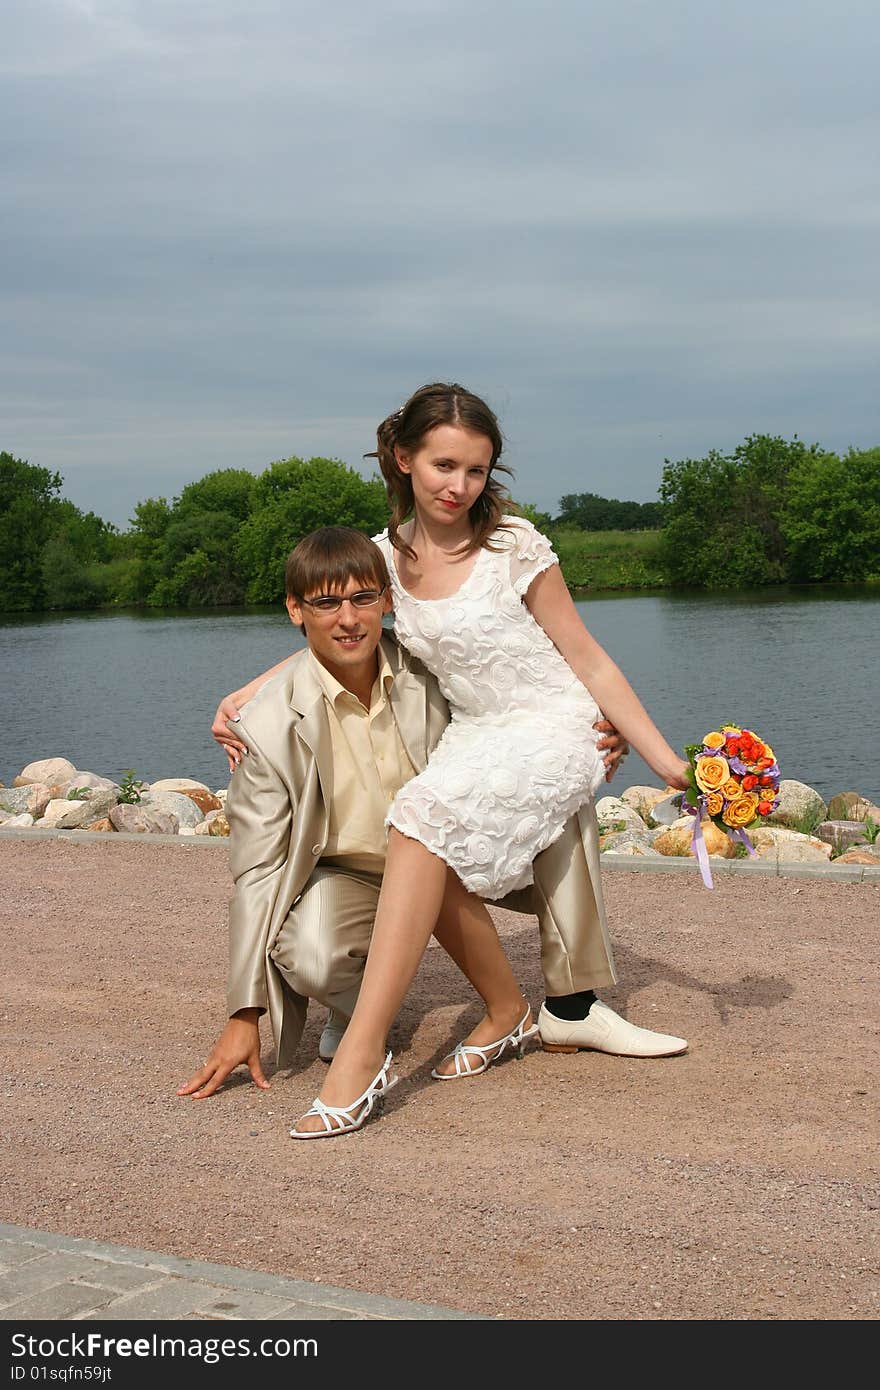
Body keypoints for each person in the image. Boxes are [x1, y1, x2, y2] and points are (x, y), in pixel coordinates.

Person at [287, 383, 691, 1138]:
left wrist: (665, 760)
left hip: (555, 722)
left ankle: (364, 1057)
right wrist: (243, 695)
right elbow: (328, 635)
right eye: (444, 466)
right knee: (422, 836)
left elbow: (589, 659)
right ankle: (509, 1012)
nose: (458, 486)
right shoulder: (378, 559)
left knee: (417, 821)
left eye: (476, 471)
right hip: (477, 731)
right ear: (403, 459)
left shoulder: (514, 546)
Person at [180, 527, 682, 1104]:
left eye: (364, 600)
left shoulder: (429, 671)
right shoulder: (262, 729)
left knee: (556, 777)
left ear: (388, 601)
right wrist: (244, 1014)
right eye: (325, 603)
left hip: (446, 863)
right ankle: (362, 1007)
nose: (348, 618)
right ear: (295, 609)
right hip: (348, 874)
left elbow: (527, 688)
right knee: (311, 957)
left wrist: (598, 727)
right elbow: (256, 873)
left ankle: (573, 1004)